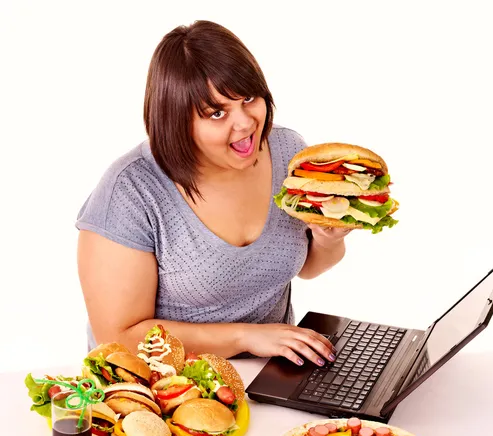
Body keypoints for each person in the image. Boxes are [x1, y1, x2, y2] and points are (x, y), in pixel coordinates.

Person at [76, 20, 351, 368]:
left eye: (249, 98)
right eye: (217, 113)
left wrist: (329, 238)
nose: (245, 123)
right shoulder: (130, 191)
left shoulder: (288, 152)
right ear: (175, 120)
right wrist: (245, 336)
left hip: (265, 376)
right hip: (160, 386)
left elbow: (307, 267)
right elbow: (120, 338)